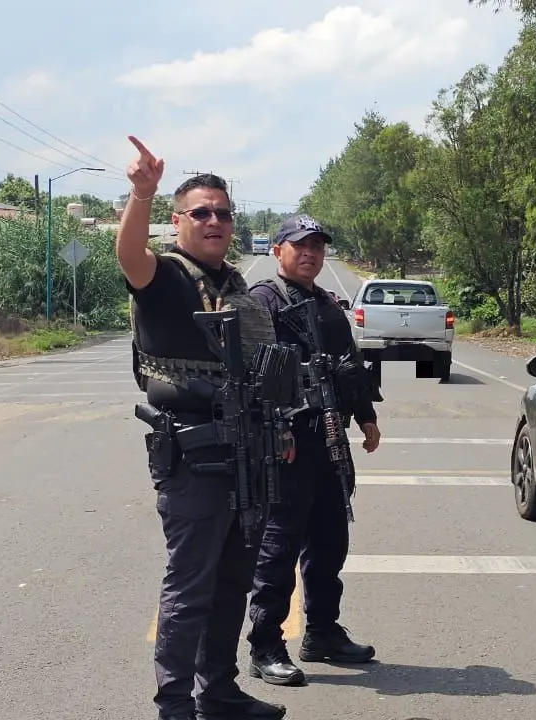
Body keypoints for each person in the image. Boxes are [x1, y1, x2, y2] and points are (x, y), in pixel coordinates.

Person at [116, 136, 289, 720]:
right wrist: (141, 194)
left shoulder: (240, 289)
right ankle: (174, 708)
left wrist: (282, 432)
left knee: (233, 583)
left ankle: (217, 692)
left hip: (250, 454)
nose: (214, 221)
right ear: (179, 220)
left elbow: (269, 372)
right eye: (201, 212)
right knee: (190, 589)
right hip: (194, 458)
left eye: (223, 212)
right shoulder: (164, 278)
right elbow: (129, 257)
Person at [245, 215, 381, 687]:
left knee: (329, 543)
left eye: (318, 247)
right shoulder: (262, 302)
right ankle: (265, 645)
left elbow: (350, 368)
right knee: (278, 548)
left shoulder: (327, 304)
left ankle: (321, 632)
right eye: (301, 246)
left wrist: (366, 416)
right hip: (284, 446)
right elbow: (252, 377)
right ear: (279, 249)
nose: (310, 254)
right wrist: (273, 429)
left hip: (328, 442)